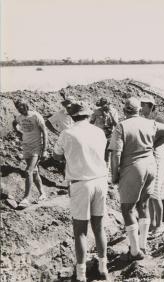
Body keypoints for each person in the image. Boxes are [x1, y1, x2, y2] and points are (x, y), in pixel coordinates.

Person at [109, 97, 164, 260]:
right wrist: (154, 144)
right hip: (151, 166)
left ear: (125, 110)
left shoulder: (121, 126)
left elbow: (115, 154)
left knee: (127, 208)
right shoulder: (150, 123)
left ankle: (134, 251)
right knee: (143, 205)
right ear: (138, 109)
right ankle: (143, 246)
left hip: (133, 168)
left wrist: (115, 175)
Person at [53, 102, 109, 282]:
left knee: (80, 231)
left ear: (72, 116)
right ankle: (103, 267)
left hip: (80, 184)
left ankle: (81, 274)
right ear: (88, 115)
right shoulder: (99, 132)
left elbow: (56, 155)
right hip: (100, 181)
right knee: (99, 227)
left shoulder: (67, 133)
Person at [140, 96, 164, 235]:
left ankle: (159, 225)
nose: (141, 107)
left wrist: (153, 143)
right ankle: (152, 223)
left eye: (144, 105)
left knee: (156, 193)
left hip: (158, 156)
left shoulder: (158, 120)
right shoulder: (144, 119)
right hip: (151, 157)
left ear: (150, 106)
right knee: (150, 192)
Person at [12, 100, 48, 207]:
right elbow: (14, 123)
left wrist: (45, 150)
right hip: (26, 147)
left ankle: (26, 198)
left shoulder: (36, 116)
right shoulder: (19, 117)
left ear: (26, 105)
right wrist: (18, 132)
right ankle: (42, 194)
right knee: (34, 172)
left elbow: (44, 132)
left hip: (36, 148)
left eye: (21, 106)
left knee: (28, 171)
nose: (20, 109)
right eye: (18, 107)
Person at [90, 97, 119, 164]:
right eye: (102, 105)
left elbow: (116, 125)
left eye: (105, 104)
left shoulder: (113, 111)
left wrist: (110, 115)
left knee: (107, 154)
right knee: (98, 152)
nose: (104, 106)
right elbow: (91, 122)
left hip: (109, 135)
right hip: (98, 135)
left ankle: (107, 169)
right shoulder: (96, 111)